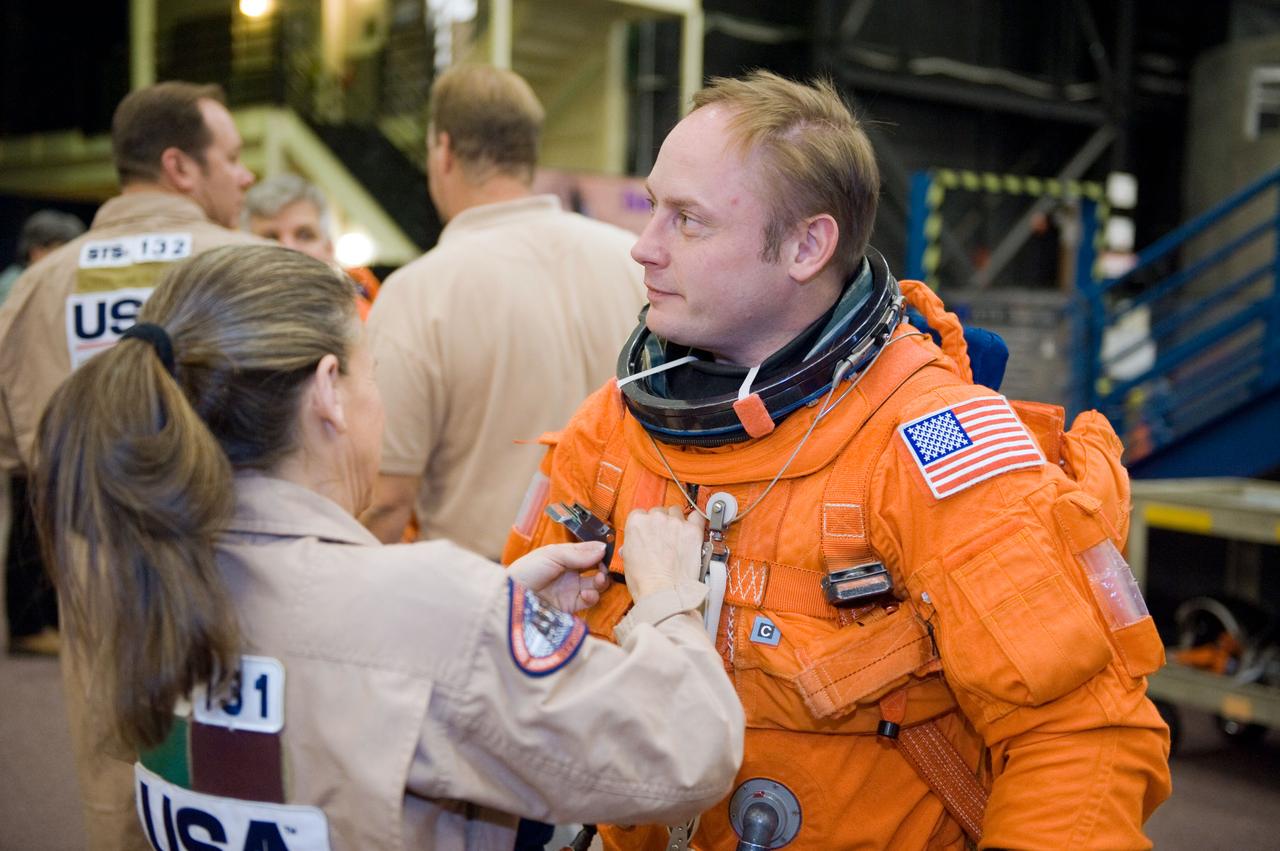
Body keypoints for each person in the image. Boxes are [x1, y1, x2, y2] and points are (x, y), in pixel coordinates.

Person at [504, 71, 1172, 849]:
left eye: (686, 219)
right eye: (653, 206)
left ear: (806, 245)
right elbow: (507, 679)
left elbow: (1081, 734)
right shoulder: (613, 430)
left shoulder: (933, 448)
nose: (643, 247)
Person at [31, 244, 743, 849]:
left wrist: (497, 613)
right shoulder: (425, 604)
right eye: (372, 371)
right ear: (329, 392)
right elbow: (689, 751)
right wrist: (667, 598)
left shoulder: (149, 573)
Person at [0, 80, 259, 850]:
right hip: (248, 612)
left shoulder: (38, 288)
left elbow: (14, 448)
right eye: (234, 157)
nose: (245, 176)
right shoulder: (258, 270)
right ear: (181, 166)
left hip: (106, 627)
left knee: (122, 819)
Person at [362, 64, 646, 558]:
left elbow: (386, 502)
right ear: (527, 153)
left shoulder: (420, 292)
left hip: (482, 599)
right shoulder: (634, 262)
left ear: (443, 151)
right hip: (617, 591)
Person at [0, 209, 85, 655]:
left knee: (36, 521)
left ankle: (39, 621)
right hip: (22, 422)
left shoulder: (20, 282)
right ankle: (29, 625)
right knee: (31, 524)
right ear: (41, 250)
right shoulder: (23, 286)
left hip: (23, 420)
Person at [243, 172, 381, 320]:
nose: (288, 248)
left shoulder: (371, 320)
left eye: (304, 235)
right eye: (270, 237)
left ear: (329, 248)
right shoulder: (224, 325)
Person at [0, 209, 86, 305]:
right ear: (35, 252)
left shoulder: (68, 282)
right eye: (59, 252)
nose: (68, 260)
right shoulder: (13, 284)